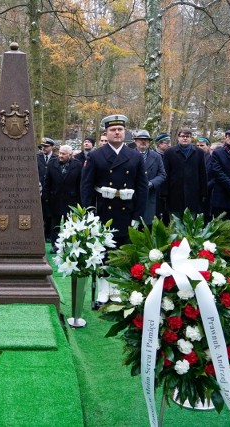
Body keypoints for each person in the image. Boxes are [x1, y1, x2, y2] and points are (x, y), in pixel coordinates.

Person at [81, 114, 148, 305]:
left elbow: (142, 188)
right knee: (102, 252)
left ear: (125, 132)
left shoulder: (135, 156)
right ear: (106, 133)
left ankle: (117, 289)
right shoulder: (95, 155)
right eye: (113, 130)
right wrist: (89, 211)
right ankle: (103, 290)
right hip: (103, 211)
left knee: (122, 252)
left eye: (120, 129)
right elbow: (86, 186)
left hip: (127, 211)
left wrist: (138, 215)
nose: (117, 133)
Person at [44, 144, 83, 253]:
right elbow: (47, 183)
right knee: (55, 224)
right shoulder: (52, 164)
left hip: (71, 199)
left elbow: (80, 184)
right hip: (55, 199)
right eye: (60, 153)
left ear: (70, 155)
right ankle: (55, 245)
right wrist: (46, 198)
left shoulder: (78, 165)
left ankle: (67, 245)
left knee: (69, 224)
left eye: (63, 154)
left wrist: (80, 202)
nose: (60, 155)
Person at [162, 127, 207, 217]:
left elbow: (202, 174)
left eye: (188, 136)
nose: (185, 138)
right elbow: (165, 174)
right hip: (174, 194)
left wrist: (204, 192)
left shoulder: (199, 153)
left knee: (190, 226)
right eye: (183, 136)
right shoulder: (169, 152)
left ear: (191, 138)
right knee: (175, 225)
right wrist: (164, 193)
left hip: (193, 194)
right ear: (178, 138)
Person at [133, 130, 166, 226]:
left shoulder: (156, 157)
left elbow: (162, 174)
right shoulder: (128, 155)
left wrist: (151, 183)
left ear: (149, 142)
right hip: (132, 195)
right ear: (135, 141)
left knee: (147, 226)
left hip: (149, 195)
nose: (143, 142)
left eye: (146, 140)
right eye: (140, 140)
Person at [38, 138, 57, 241]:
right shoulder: (37, 157)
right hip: (38, 188)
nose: (44, 148)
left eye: (46, 146)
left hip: (50, 189)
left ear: (51, 147)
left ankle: (48, 234)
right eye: (43, 146)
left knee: (49, 213)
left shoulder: (56, 157)